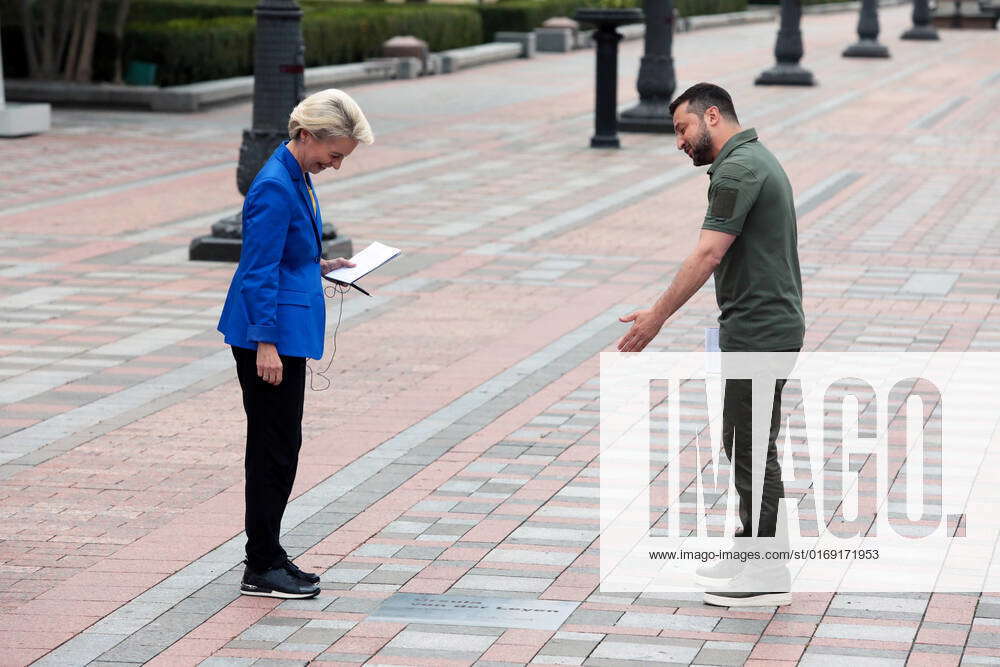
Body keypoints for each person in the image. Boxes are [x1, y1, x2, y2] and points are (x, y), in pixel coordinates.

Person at [617, 82, 804, 607]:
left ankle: (766, 576)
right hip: (759, 325)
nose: (679, 142)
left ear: (713, 115)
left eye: (682, 129)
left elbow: (707, 254)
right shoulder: (751, 160)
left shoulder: (739, 169)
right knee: (742, 440)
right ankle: (752, 550)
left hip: (760, 330)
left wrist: (655, 317)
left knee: (750, 444)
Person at [217, 89, 374, 599]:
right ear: (306, 135)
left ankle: (269, 551)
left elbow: (283, 255)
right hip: (269, 337)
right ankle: (260, 565)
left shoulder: (296, 175)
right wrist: (265, 344)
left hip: (282, 330)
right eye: (335, 154)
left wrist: (320, 265)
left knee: (282, 446)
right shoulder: (273, 187)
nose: (337, 165)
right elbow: (256, 270)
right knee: (272, 450)